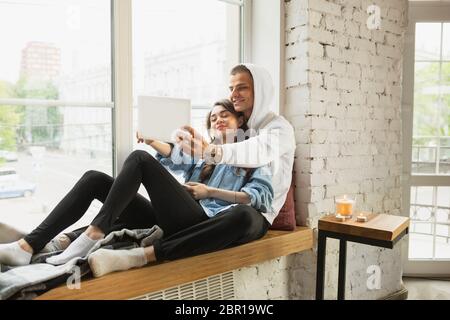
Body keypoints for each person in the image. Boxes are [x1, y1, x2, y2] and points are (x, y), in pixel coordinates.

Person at [0, 100, 273, 273]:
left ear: (240, 123)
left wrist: (209, 192)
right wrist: (153, 140)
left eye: (225, 115)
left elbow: (259, 198)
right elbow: (172, 158)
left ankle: (94, 234)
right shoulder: (204, 157)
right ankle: (27, 246)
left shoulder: (255, 157)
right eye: (213, 118)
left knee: (139, 160)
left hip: (204, 222)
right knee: (95, 177)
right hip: (178, 217)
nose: (218, 120)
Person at [176, 63, 296, 230]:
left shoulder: (279, 128)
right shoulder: (238, 130)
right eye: (231, 88)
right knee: (141, 159)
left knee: (241, 215)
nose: (233, 94)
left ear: (259, 91)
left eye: (241, 88)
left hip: (259, 213)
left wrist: (210, 151)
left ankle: (152, 252)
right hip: (223, 208)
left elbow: (258, 150)